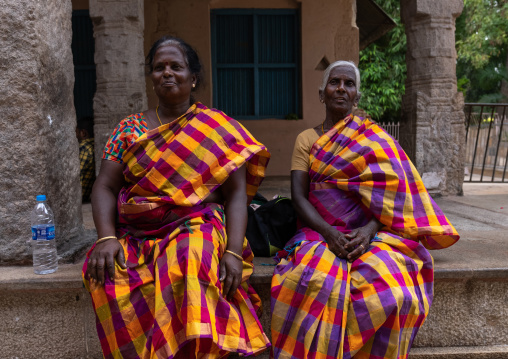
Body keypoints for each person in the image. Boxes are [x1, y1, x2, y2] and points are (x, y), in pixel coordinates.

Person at [82, 36, 271, 358]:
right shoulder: (128, 128)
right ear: (151, 76)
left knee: (188, 260)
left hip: (195, 223)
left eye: (176, 66)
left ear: (193, 77)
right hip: (136, 229)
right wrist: (106, 237)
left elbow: (236, 195)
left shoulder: (220, 129)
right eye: (159, 68)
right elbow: (105, 186)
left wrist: (234, 252)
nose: (167, 73)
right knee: (105, 269)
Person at [270, 61, 459, 359]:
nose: (341, 89)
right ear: (322, 93)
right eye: (334, 82)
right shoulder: (306, 139)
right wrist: (329, 233)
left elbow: (394, 195)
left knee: (395, 289)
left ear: (357, 96)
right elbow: (299, 197)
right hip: (318, 231)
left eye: (349, 84)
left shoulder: (375, 139)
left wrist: (370, 231)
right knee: (313, 281)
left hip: (366, 231)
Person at [76, 116, 96, 202]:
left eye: (75, 132)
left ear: (83, 133)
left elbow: (77, 175)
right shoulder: (94, 147)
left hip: (80, 196)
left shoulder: (84, 148)